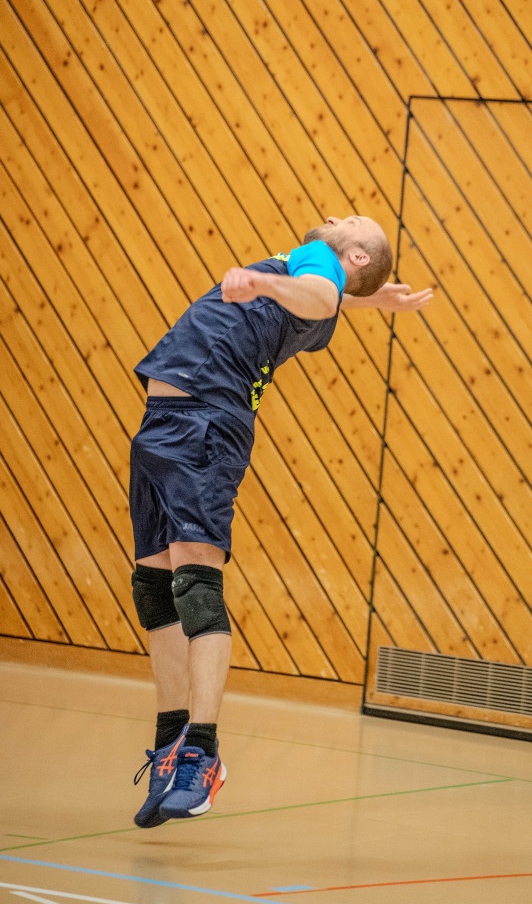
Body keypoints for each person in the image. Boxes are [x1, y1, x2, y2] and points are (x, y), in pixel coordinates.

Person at [130, 215, 432, 827]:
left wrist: (268, 283)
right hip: (166, 424)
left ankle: (203, 754)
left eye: (350, 223)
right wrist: (370, 299)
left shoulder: (313, 262)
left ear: (350, 257)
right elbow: (325, 299)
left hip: (202, 424)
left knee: (195, 586)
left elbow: (319, 292)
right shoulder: (315, 291)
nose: (336, 217)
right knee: (154, 587)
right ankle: (170, 743)